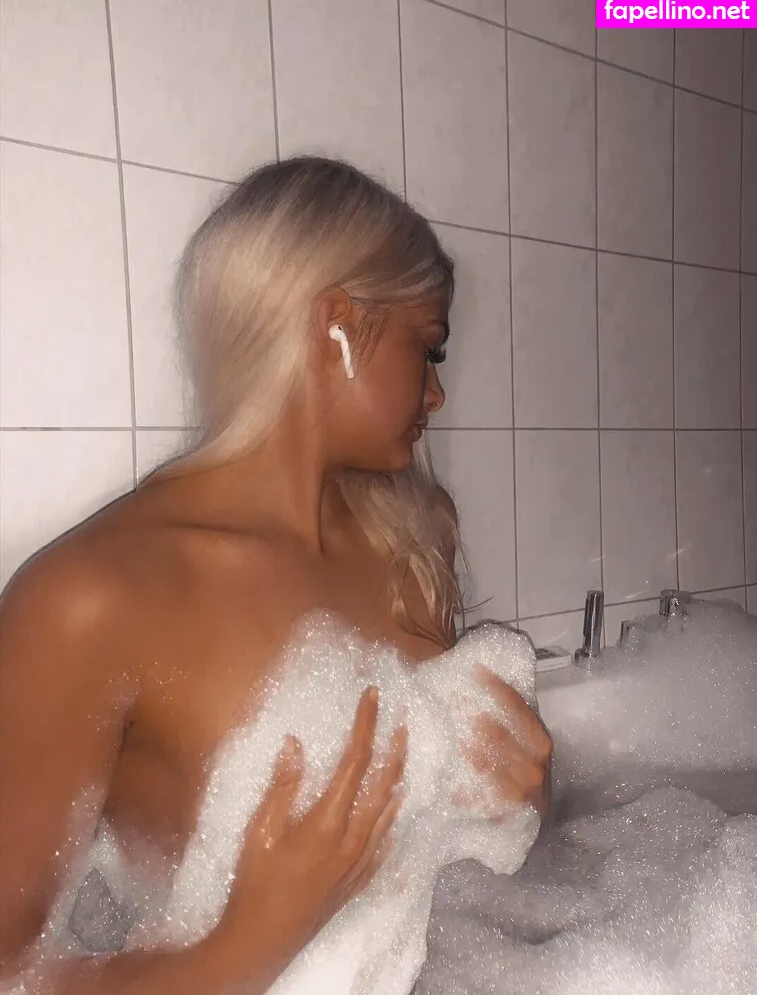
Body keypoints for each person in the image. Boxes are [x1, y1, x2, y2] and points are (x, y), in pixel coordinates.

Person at [0, 157, 552, 994]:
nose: (437, 393)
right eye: (428, 346)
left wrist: (531, 793)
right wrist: (243, 946)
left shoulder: (414, 534)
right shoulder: (91, 598)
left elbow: (465, 862)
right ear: (338, 325)